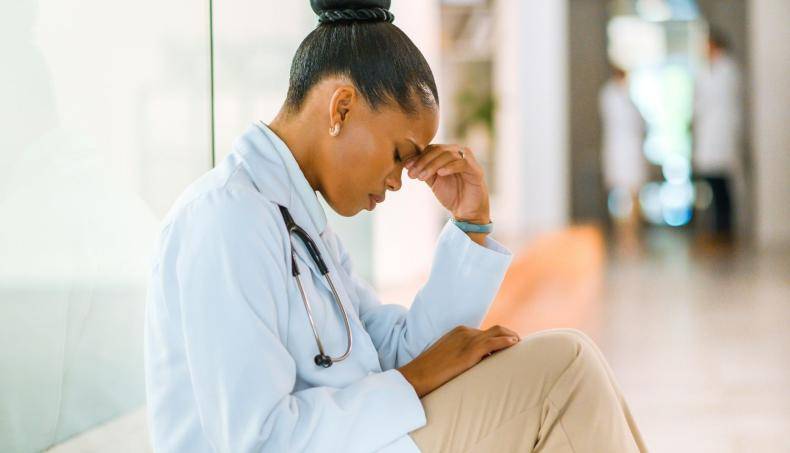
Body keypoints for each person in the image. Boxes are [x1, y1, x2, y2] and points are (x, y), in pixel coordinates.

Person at [144, 1, 647, 451]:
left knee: (572, 364)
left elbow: (394, 351)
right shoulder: (227, 216)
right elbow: (258, 441)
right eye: (399, 154)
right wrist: (413, 379)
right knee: (564, 371)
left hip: (362, 439)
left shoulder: (300, 223)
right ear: (341, 108)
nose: (398, 180)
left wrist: (470, 224)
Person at [693, 27, 744, 243]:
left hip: (721, 134)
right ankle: (717, 230)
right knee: (714, 186)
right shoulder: (709, 70)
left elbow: (715, 102)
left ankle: (724, 231)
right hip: (711, 135)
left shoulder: (727, 70)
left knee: (722, 187)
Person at [599, 65, 647, 251]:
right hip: (619, 150)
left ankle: (633, 233)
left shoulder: (629, 98)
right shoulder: (610, 96)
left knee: (634, 193)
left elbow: (640, 122)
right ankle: (622, 232)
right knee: (619, 195)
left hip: (631, 151)